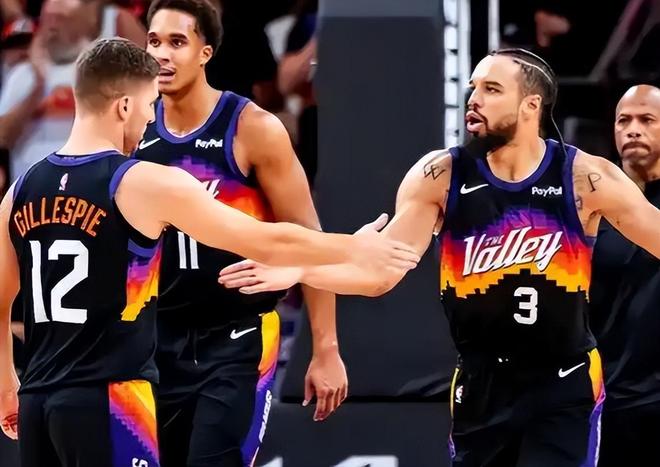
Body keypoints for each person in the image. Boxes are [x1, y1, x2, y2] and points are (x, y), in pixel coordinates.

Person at [220, 48, 660, 466]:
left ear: (531, 105)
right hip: (480, 383)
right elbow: (380, 273)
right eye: (473, 87)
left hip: (563, 382)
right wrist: (300, 270)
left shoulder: (585, 176)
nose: (474, 99)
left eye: (491, 89)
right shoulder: (441, 175)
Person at [0, 37, 419, 467]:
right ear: (123, 106)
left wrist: (6, 382)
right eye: (148, 106)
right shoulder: (141, 181)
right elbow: (265, 240)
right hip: (112, 399)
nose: (150, 120)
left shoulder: (20, 190)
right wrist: (353, 246)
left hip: (37, 402)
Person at [134, 1, 347, 465]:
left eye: (177, 42)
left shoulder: (252, 128)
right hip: (156, 341)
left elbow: (309, 238)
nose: (162, 54)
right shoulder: (133, 130)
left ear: (206, 52)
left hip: (237, 337)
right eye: (154, 41)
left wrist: (326, 348)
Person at [590, 84, 660, 467]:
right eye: (624, 121)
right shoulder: (592, 207)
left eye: (647, 120)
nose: (633, 130)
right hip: (606, 399)